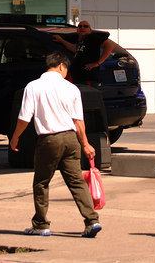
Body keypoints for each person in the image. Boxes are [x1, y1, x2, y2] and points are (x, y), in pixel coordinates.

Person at [10, 51, 102, 238]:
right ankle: (92, 221)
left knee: (42, 182)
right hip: (70, 139)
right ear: (61, 65)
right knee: (76, 181)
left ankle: (41, 225)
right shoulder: (71, 89)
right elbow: (78, 121)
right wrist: (85, 144)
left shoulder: (33, 87)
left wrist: (15, 137)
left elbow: (24, 118)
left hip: (49, 140)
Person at [52, 20, 115, 85]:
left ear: (90, 30)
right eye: (80, 26)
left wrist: (97, 63)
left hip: (88, 77)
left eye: (85, 26)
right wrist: (61, 40)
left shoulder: (93, 38)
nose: (82, 28)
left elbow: (110, 46)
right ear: (77, 30)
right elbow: (74, 49)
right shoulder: (81, 42)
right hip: (78, 78)